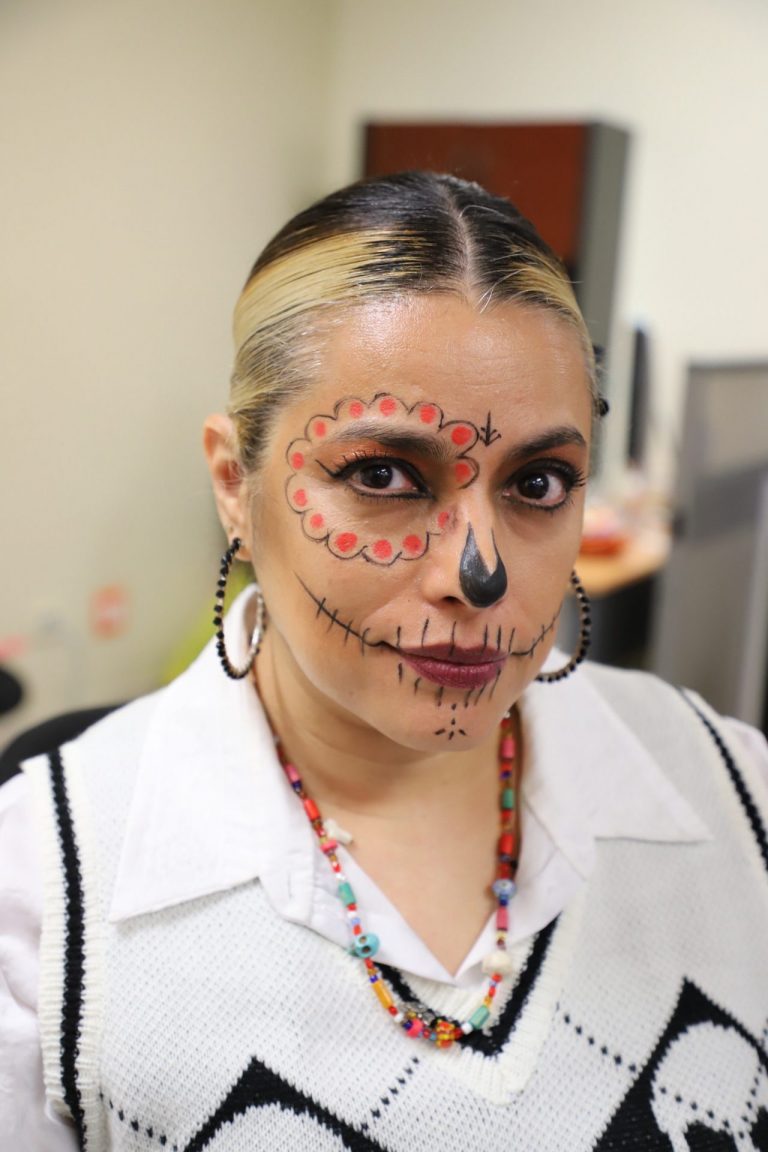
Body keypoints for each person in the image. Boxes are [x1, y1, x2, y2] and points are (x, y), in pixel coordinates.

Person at [1, 171, 767, 1152]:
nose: (476, 578)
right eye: (383, 475)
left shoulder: (732, 792)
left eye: (539, 482)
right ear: (235, 485)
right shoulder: (40, 905)